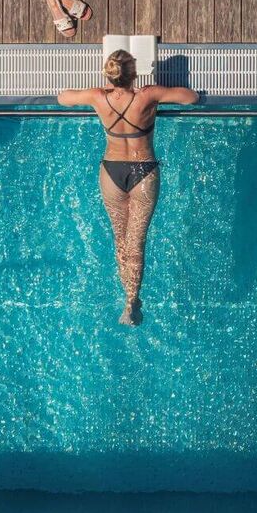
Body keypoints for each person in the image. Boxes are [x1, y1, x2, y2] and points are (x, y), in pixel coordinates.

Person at [58, 50, 199, 326]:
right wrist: (157, 92)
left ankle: (129, 298)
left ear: (108, 75)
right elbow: (191, 97)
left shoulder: (98, 97)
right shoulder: (147, 95)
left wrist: (100, 90)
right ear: (134, 74)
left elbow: (63, 97)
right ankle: (132, 300)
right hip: (142, 171)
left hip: (111, 172)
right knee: (136, 240)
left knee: (120, 240)